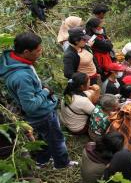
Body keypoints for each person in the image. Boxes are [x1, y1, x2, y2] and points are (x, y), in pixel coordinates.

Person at [0, 32, 77, 168]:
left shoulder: (15, 61)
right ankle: (62, 164)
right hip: (41, 113)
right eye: (38, 50)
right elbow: (30, 106)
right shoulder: (21, 77)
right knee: (56, 139)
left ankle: (42, 161)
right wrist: (45, 92)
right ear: (26, 52)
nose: (40, 52)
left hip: (38, 113)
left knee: (44, 138)